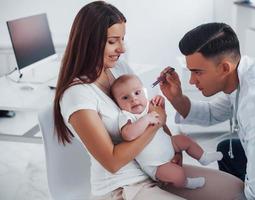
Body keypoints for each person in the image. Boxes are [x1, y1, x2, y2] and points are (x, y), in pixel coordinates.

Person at [53, 2, 244, 199]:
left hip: (157, 169)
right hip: (124, 188)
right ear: (89, 42)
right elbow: (112, 161)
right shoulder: (77, 96)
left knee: (235, 191)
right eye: (113, 41)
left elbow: (148, 110)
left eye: (122, 39)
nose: (122, 48)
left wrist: (173, 151)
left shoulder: (120, 69)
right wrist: (155, 123)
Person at [159, 22, 255, 199]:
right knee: (227, 150)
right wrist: (176, 98)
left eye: (198, 72)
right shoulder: (242, 73)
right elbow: (211, 114)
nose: (191, 81)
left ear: (224, 68)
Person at [110, 74, 223, 189]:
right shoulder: (126, 116)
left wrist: (160, 100)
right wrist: (146, 119)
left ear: (144, 91)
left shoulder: (147, 106)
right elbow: (128, 135)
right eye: (125, 98)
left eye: (137, 93)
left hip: (170, 143)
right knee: (177, 174)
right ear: (116, 102)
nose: (133, 99)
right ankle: (186, 183)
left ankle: (203, 157)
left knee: (184, 140)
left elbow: (161, 115)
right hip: (157, 164)